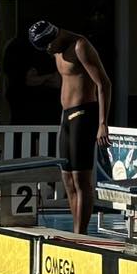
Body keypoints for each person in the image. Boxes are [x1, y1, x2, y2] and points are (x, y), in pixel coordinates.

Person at [29, 21, 112, 235]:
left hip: (85, 114)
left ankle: (80, 233)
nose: (49, 51)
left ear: (55, 35)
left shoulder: (80, 46)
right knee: (66, 177)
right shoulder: (56, 49)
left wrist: (103, 123)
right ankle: (75, 232)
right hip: (66, 117)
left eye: (48, 45)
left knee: (80, 179)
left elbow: (104, 83)